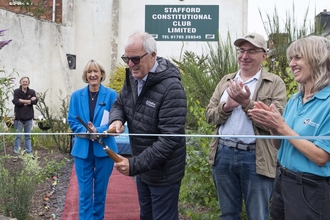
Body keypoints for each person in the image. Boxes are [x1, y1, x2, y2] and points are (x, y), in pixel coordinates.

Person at [205, 32, 287, 220]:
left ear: (264, 56)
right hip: (223, 154)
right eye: (241, 50)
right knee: (227, 214)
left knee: (258, 215)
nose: (245, 56)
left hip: (256, 157)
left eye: (251, 51)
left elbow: (276, 122)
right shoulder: (226, 80)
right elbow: (209, 116)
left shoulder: (275, 83)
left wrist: (245, 103)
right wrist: (226, 107)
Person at [248, 35, 330, 220]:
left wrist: (282, 127)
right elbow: (279, 145)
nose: (292, 64)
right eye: (291, 58)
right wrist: (273, 127)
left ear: (318, 59)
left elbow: (321, 157)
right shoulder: (295, 99)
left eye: (298, 57)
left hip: (310, 188)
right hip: (283, 179)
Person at [108, 31, 187, 220]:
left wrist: (134, 164)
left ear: (153, 55)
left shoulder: (172, 89)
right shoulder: (132, 78)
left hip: (164, 173)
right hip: (143, 169)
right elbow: (119, 104)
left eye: (135, 59)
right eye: (126, 59)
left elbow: (169, 140)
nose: (130, 65)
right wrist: (117, 120)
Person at [67, 60, 118, 220]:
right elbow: (72, 121)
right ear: (86, 75)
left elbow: (116, 120)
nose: (93, 75)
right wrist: (87, 132)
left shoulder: (111, 95)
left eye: (96, 71)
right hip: (82, 150)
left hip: (105, 150)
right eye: (89, 72)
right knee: (85, 194)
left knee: (100, 192)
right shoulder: (76, 96)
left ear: (101, 74)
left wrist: (99, 131)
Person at [12, 76, 38, 154]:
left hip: (28, 118)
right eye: (23, 81)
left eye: (26, 81)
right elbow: (15, 101)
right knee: (18, 137)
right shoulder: (16, 91)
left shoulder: (32, 92)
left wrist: (22, 101)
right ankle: (17, 153)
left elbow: (35, 101)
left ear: (28, 83)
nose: (25, 83)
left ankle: (29, 153)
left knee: (28, 137)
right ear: (21, 82)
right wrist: (29, 101)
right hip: (18, 119)